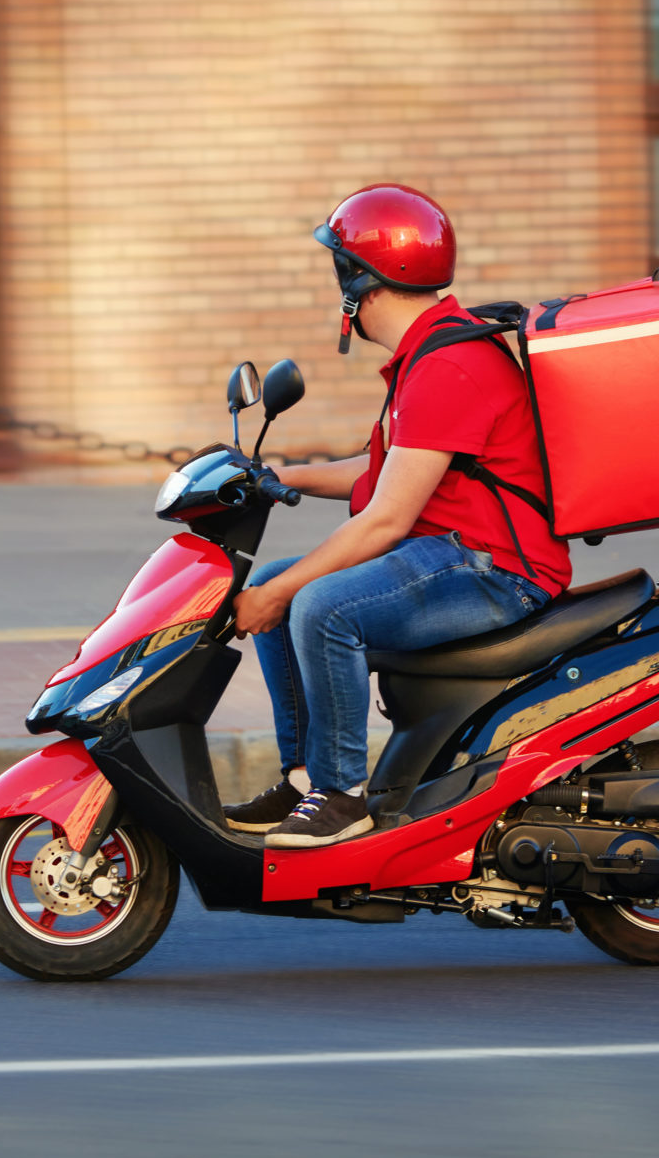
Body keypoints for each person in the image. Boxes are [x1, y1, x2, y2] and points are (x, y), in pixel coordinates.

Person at [221, 184, 572, 848]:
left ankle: (340, 795)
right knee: (280, 578)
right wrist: (276, 478)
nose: (338, 288)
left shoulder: (450, 365)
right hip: (453, 552)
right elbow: (381, 472)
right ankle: (304, 782)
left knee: (319, 602)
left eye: (340, 270)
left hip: (494, 568)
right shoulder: (429, 355)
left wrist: (276, 594)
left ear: (362, 279)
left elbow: (385, 519)